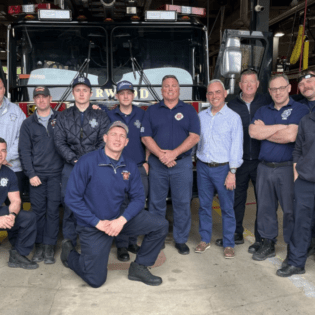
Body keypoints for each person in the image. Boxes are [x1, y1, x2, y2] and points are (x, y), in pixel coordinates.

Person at [61, 121, 168, 288]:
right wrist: (97, 223)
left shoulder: (130, 165)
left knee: (160, 225)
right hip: (93, 225)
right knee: (95, 280)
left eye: (122, 136)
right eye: (113, 134)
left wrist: (121, 220)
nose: (117, 139)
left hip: (118, 220)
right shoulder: (87, 162)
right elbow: (71, 198)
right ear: (105, 138)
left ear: (126, 142)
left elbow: (139, 198)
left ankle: (139, 267)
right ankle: (70, 255)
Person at [249, 73, 309, 261]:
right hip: (265, 167)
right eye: (274, 89)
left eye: (281, 88)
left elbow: (291, 136)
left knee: (290, 210)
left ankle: (293, 246)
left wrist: (265, 130)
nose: (278, 92)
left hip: (288, 168)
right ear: (269, 91)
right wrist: (281, 128)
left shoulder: (300, 109)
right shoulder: (262, 110)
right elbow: (253, 132)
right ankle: (268, 243)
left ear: (289, 88)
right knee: (265, 208)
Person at [141, 75, 200, 255]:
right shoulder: (151, 111)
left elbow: (195, 136)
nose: (170, 89)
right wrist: (161, 155)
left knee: (182, 203)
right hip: (157, 164)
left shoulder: (189, 111)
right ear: (162, 90)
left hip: (181, 165)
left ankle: (181, 240)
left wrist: (173, 154)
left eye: (173, 86)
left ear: (179, 89)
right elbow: (145, 137)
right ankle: (156, 238)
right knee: (156, 203)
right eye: (166, 86)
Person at [215, 69, 272, 253]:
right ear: (240, 85)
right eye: (245, 82)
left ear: (257, 84)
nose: (248, 85)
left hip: (261, 160)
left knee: (263, 201)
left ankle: (260, 238)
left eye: (252, 82)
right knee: (236, 200)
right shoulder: (231, 105)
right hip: (238, 162)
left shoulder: (267, 102)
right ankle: (235, 234)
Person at [95, 80, 149, 262]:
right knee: (119, 205)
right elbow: (103, 141)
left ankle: (133, 241)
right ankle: (122, 245)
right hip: (116, 168)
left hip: (139, 167)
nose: (126, 96)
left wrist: (147, 161)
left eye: (129, 93)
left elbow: (147, 138)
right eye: (122, 93)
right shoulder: (109, 115)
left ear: (133, 95)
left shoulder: (142, 114)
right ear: (117, 96)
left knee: (137, 205)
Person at [54, 77, 110, 247]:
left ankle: (91, 240)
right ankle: (69, 242)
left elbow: (105, 140)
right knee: (70, 204)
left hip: (94, 167)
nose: (81, 93)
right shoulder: (63, 116)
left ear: (90, 93)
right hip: (71, 167)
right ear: (73, 93)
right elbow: (59, 141)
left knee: (94, 204)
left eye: (85, 90)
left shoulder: (100, 115)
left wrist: (88, 161)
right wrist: (74, 159)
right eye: (78, 90)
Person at [194, 79, 243, 258]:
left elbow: (237, 146)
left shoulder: (233, 118)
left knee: (227, 207)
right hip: (203, 168)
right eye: (210, 93)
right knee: (204, 206)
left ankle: (229, 244)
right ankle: (204, 239)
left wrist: (232, 172)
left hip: (224, 169)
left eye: (217, 92)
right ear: (207, 96)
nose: (214, 96)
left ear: (224, 94)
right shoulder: (201, 117)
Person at [19, 86, 64, 264]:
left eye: (44, 96)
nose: (41, 100)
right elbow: (24, 151)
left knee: (53, 212)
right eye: (37, 97)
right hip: (36, 176)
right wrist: (30, 174)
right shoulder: (28, 124)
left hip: (55, 175)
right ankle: (38, 246)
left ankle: (49, 247)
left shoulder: (61, 118)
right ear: (34, 100)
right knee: (37, 212)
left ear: (50, 98)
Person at [276, 101, 315, 277]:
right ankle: (296, 262)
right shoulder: (307, 121)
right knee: (300, 223)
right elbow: (298, 150)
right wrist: (296, 174)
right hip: (306, 181)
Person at [0, 137, 37, 269]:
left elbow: (15, 200)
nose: (0, 154)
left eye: (3, 150)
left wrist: (12, 215)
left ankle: (18, 254)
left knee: (28, 218)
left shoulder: (8, 173)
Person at [0, 78, 26, 196]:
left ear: (4, 89)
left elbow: (23, 137)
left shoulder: (16, 111)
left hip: (13, 168)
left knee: (15, 208)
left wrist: (6, 157)